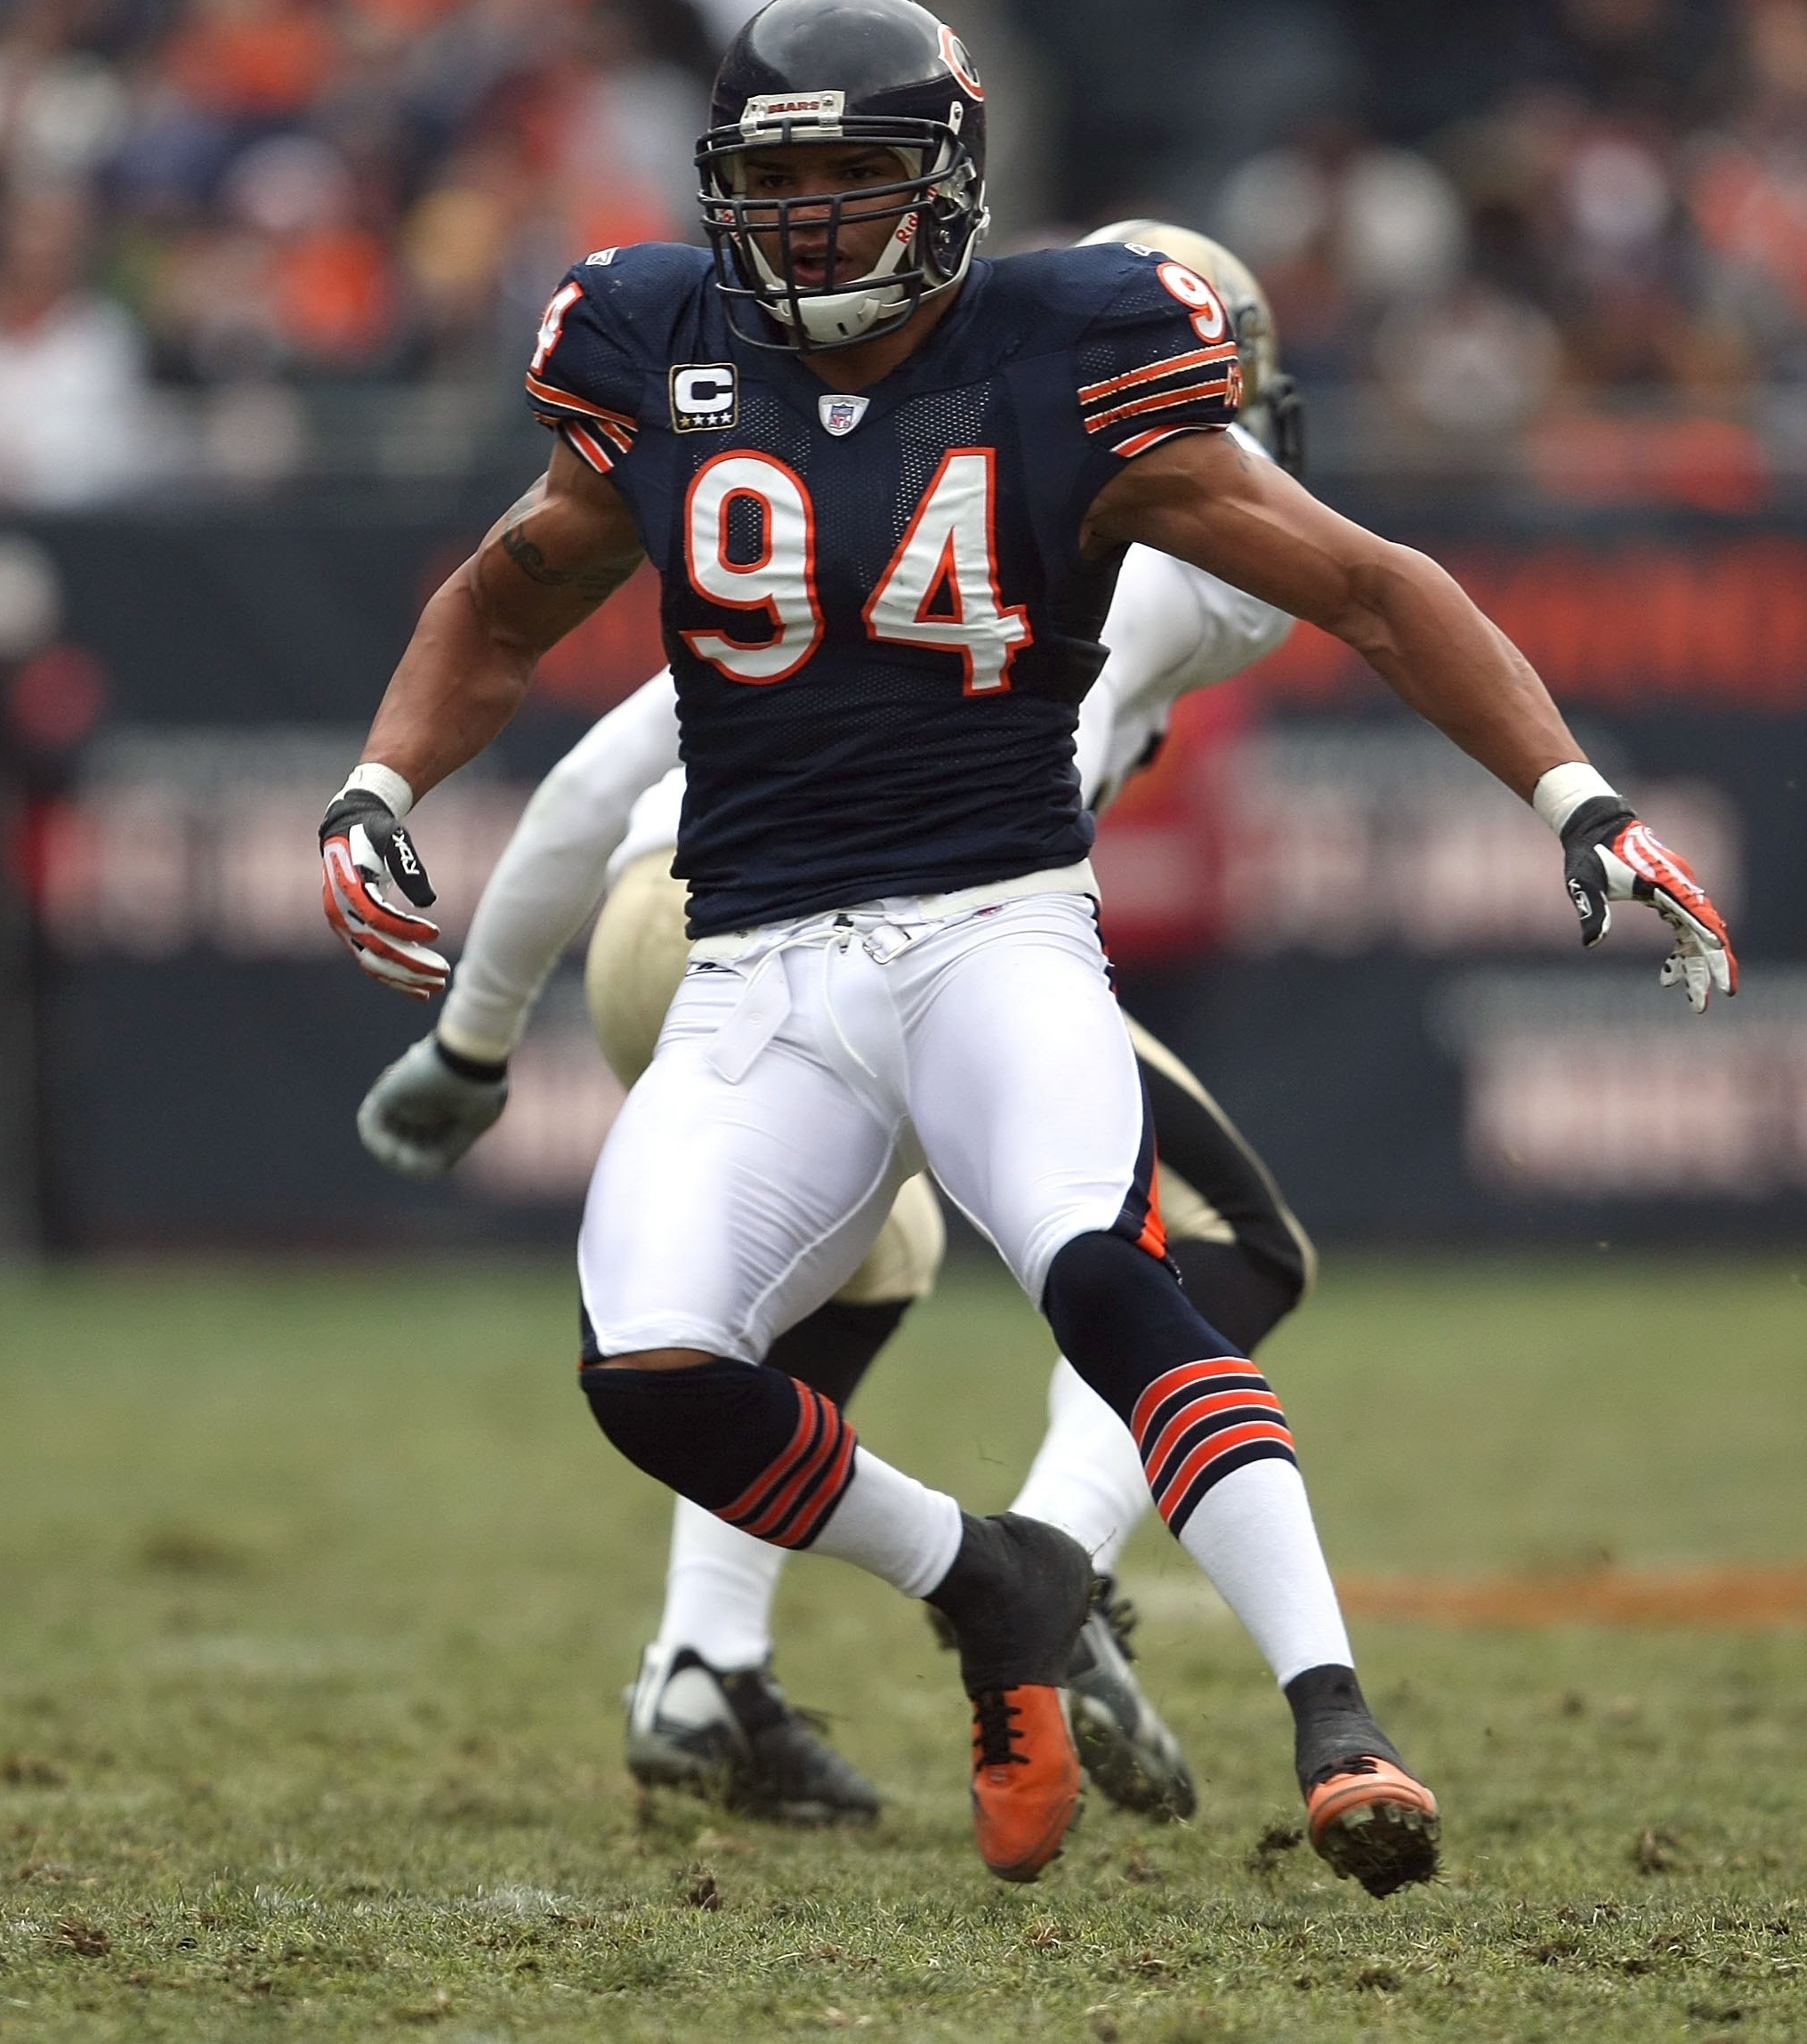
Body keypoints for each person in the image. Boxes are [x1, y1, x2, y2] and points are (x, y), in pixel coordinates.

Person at [316, 0, 1734, 1897]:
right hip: (747, 959)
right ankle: (989, 1580)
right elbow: (503, 601)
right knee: (645, 1367)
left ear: (952, 178)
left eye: (852, 172)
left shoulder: (1068, 355)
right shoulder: (653, 342)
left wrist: (1573, 794)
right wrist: (379, 784)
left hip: (988, 931)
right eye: (777, 176)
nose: (810, 218)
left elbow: (1375, 587)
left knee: (1121, 1274)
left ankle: (1334, 1712)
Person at [358, 222, 1319, 1832]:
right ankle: (1051, 1569)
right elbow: (1192, 631)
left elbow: (591, 788)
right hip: (844, 933)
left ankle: (698, 1662)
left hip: (660, 926)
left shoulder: (830, 511)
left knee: (812, 1293)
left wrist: (474, 1039)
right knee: (1228, 1245)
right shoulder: (1118, 539)